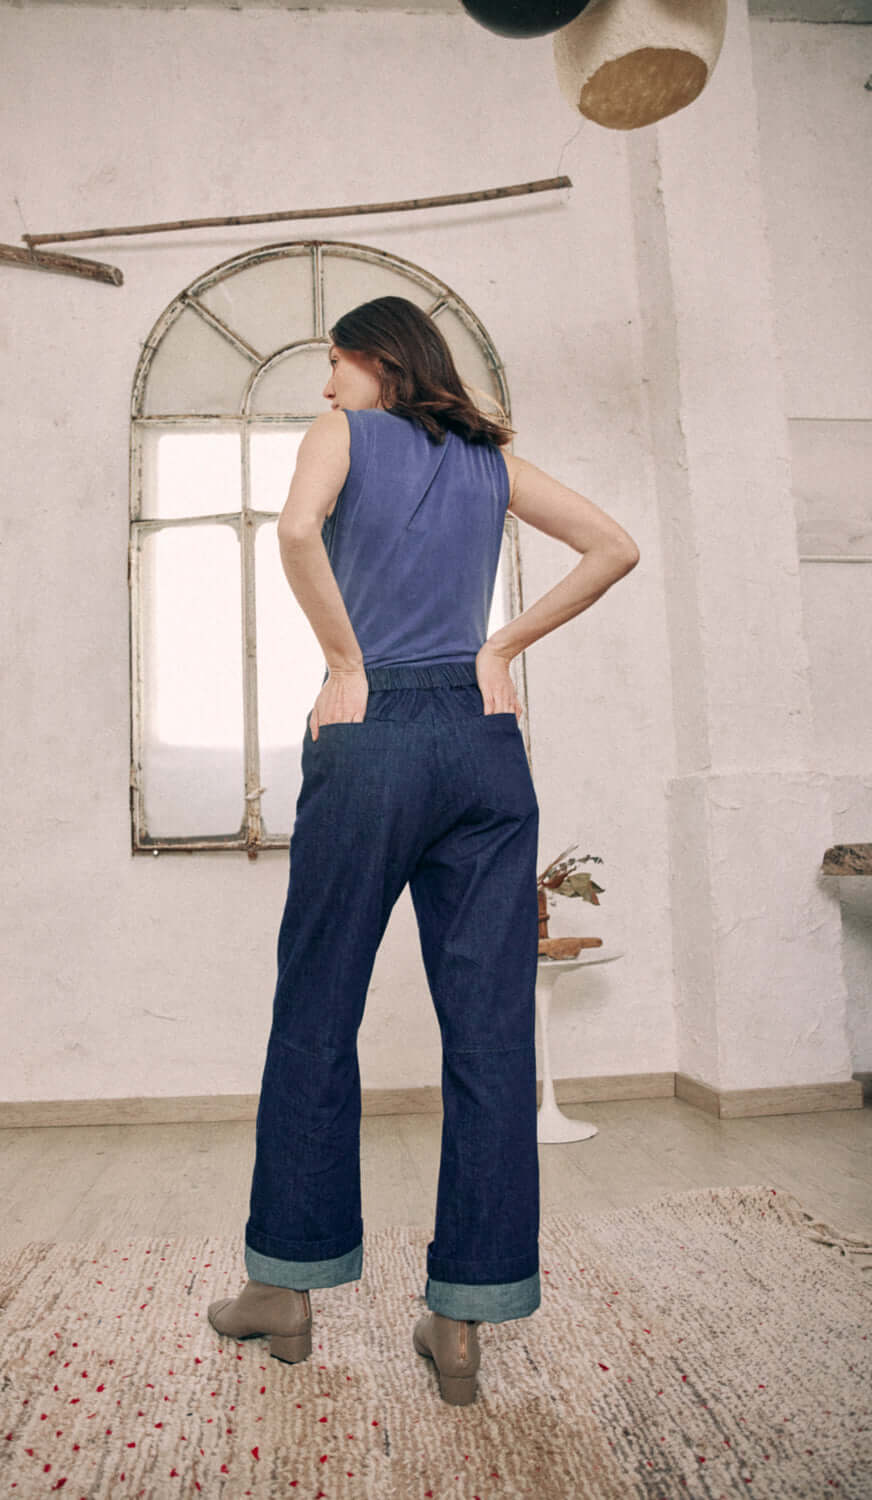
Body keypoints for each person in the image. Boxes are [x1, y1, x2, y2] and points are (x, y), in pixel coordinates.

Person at [208, 296, 639, 1405]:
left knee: (316, 1010)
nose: (325, 387)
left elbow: (296, 533)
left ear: (373, 360)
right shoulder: (490, 458)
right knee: (490, 1035)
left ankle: (287, 1288)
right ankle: (464, 1315)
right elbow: (613, 546)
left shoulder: (343, 437)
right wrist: (500, 646)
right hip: (484, 745)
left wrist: (344, 660)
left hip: (376, 737)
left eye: (335, 364)